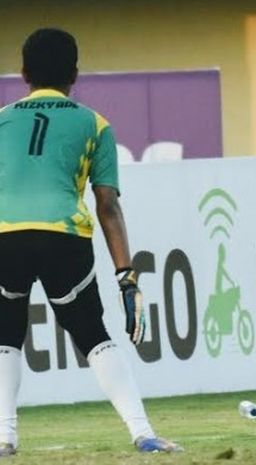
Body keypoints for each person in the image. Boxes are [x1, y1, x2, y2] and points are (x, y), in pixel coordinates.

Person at [0, 28, 182, 455]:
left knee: (5, 335)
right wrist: (127, 277)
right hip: (63, 238)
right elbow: (108, 207)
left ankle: (4, 438)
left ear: (23, 72)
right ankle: (142, 433)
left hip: (5, 238)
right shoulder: (95, 124)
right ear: (75, 73)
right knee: (93, 336)